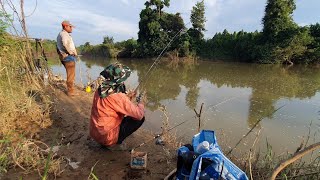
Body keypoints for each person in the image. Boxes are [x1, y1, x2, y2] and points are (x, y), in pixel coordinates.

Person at [90, 63, 146, 150]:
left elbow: (112, 105)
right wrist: (141, 103)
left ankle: (107, 141)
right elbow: (139, 115)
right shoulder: (118, 97)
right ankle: (115, 142)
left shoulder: (100, 90)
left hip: (95, 133)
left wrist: (128, 97)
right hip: (107, 137)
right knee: (140, 118)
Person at [56, 20, 78, 96]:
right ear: (65, 26)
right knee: (71, 75)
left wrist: (74, 52)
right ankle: (70, 92)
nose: (72, 28)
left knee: (70, 74)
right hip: (68, 57)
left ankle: (70, 90)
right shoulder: (64, 34)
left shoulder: (63, 34)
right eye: (70, 27)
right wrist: (71, 52)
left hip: (66, 56)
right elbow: (65, 44)